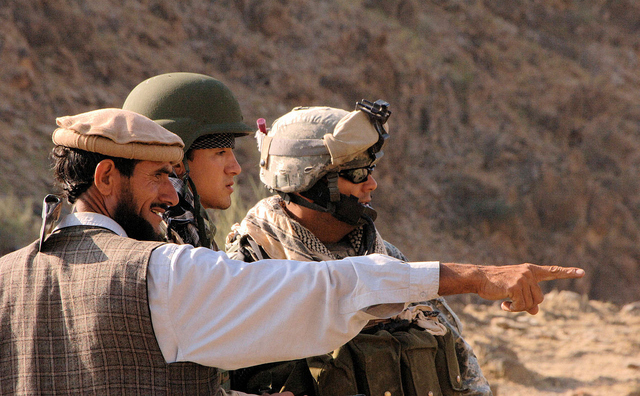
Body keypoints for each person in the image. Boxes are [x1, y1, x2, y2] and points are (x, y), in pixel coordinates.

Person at [0, 108, 584, 395]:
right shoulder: (166, 274)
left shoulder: (7, 277)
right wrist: (480, 277)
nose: (173, 194)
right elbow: (326, 291)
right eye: (158, 176)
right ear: (107, 177)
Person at [224, 101, 526, 395]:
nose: (371, 184)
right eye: (356, 174)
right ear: (308, 183)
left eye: (370, 170)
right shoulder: (248, 269)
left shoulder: (385, 256)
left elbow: (462, 366)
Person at [123, 72, 254, 250]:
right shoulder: (166, 232)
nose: (236, 168)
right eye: (220, 152)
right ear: (176, 162)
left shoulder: (186, 225)